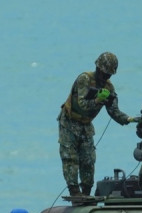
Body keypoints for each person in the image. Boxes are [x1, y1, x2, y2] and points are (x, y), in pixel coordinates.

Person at [58, 52, 137, 197]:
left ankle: (86, 192)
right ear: (98, 68)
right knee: (70, 158)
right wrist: (97, 100)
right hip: (69, 123)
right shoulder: (85, 79)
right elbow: (82, 104)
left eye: (109, 75)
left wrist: (129, 119)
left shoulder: (109, 88)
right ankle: (74, 192)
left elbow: (114, 111)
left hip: (86, 125)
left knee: (88, 160)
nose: (106, 77)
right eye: (105, 73)